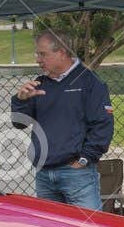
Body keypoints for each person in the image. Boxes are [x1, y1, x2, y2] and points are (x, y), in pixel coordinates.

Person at [10, 31, 113, 209]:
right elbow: (19, 123)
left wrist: (84, 160)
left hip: (77, 174)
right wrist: (21, 100)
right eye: (37, 54)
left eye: (42, 54)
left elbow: (103, 126)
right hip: (44, 174)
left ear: (62, 53)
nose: (37, 59)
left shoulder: (90, 82)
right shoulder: (39, 83)